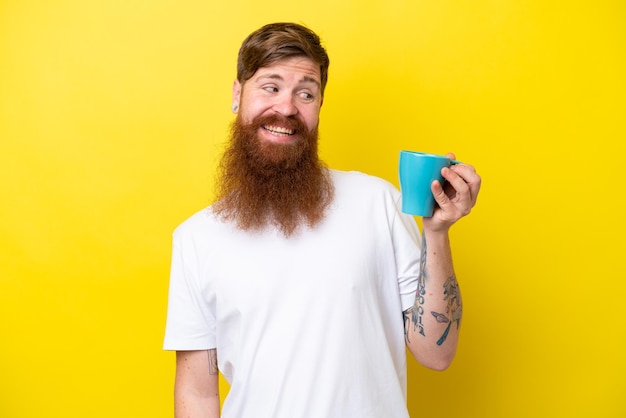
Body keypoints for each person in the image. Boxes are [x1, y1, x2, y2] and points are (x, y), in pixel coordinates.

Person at [163, 22, 481, 418]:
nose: (287, 108)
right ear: (236, 94)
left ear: (319, 106)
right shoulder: (197, 238)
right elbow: (197, 393)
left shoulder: (378, 203)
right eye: (270, 86)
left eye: (306, 93)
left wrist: (435, 233)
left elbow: (436, 353)